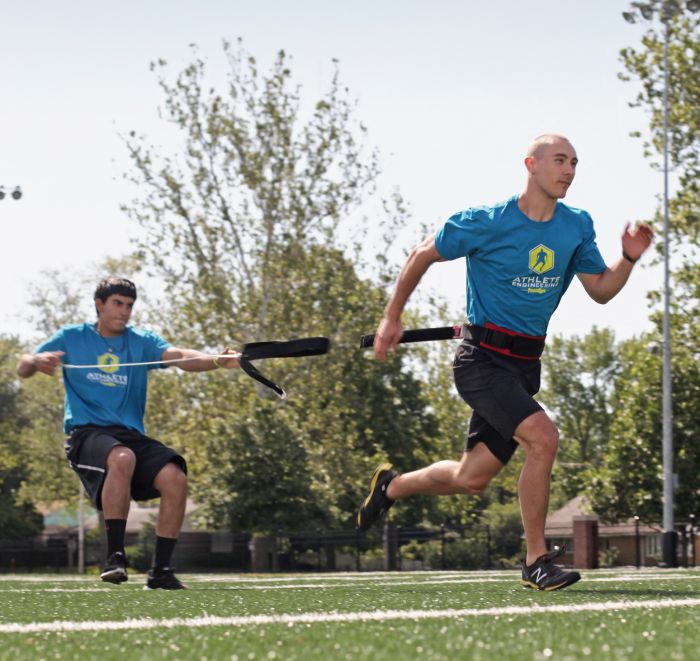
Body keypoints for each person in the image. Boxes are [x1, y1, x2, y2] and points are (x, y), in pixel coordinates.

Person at [356, 134, 653, 591]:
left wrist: (629, 258)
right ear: (530, 165)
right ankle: (536, 560)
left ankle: (391, 487)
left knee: (470, 477)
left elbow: (599, 290)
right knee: (543, 438)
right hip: (482, 361)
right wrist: (390, 317)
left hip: (524, 366)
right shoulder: (486, 221)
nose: (569, 170)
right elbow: (422, 254)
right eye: (559, 161)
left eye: (575, 162)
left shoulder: (576, 226)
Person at [16, 277, 239, 590]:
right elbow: (22, 366)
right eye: (117, 304)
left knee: (175, 477)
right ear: (99, 305)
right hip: (87, 432)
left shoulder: (141, 341)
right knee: (122, 457)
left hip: (129, 434)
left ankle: (160, 572)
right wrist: (36, 361)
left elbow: (180, 356)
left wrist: (216, 360)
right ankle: (115, 558)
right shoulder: (71, 337)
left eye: (129, 305)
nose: (124, 311)